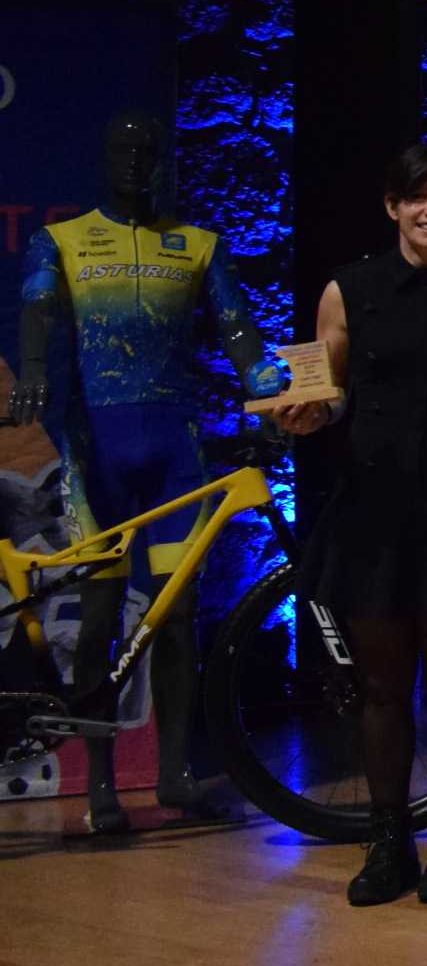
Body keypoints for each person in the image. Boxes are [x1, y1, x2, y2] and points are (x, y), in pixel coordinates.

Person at [11, 109, 273, 834]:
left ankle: (175, 776)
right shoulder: (61, 240)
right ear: (104, 158)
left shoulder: (196, 245)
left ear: (161, 162)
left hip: (172, 455)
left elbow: (240, 327)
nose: (134, 162)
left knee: (179, 618)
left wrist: (273, 391)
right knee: (98, 616)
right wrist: (32, 372)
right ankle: (100, 784)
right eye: (122, 149)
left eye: (146, 151)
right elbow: (35, 302)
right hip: (95, 450)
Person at [273, 147, 427, 905]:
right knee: (382, 686)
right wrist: (305, 413)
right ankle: (386, 843)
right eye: (417, 199)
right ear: (391, 206)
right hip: (373, 508)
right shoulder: (351, 289)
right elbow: (327, 391)